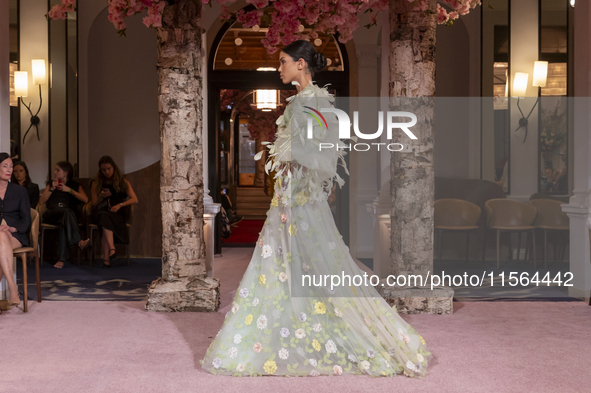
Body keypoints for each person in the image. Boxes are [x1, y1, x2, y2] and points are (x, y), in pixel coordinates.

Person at [201, 40, 431, 378]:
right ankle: (286, 325)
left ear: (301, 64)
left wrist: (291, 156)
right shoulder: (302, 101)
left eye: (283, 62)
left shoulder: (316, 100)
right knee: (281, 262)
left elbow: (324, 153)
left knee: (314, 261)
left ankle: (330, 328)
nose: (279, 68)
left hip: (301, 198)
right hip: (290, 195)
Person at [38, 161, 89, 268]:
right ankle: (78, 241)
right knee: (67, 212)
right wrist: (52, 188)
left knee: (63, 223)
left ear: (65, 173)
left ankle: (61, 260)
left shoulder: (74, 185)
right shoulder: (51, 183)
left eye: (58, 170)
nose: (55, 172)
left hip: (66, 216)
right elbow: (41, 201)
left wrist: (69, 190)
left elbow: (85, 199)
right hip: (52, 214)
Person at [90, 156, 138, 268]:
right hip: (100, 211)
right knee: (103, 216)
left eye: (109, 168)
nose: (107, 172)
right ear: (100, 170)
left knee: (105, 221)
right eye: (103, 170)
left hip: (116, 213)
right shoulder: (96, 182)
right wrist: (101, 196)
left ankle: (106, 258)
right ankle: (112, 249)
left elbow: (134, 199)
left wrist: (120, 205)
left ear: (114, 167)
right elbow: (94, 204)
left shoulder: (122, 182)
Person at [0, 152, 31, 306]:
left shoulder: (20, 191)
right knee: (0, 238)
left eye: (11, 166)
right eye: (5, 166)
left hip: (16, 236)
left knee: (2, 236)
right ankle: (13, 288)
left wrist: (13, 228)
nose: (9, 169)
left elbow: (26, 219)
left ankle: (12, 288)